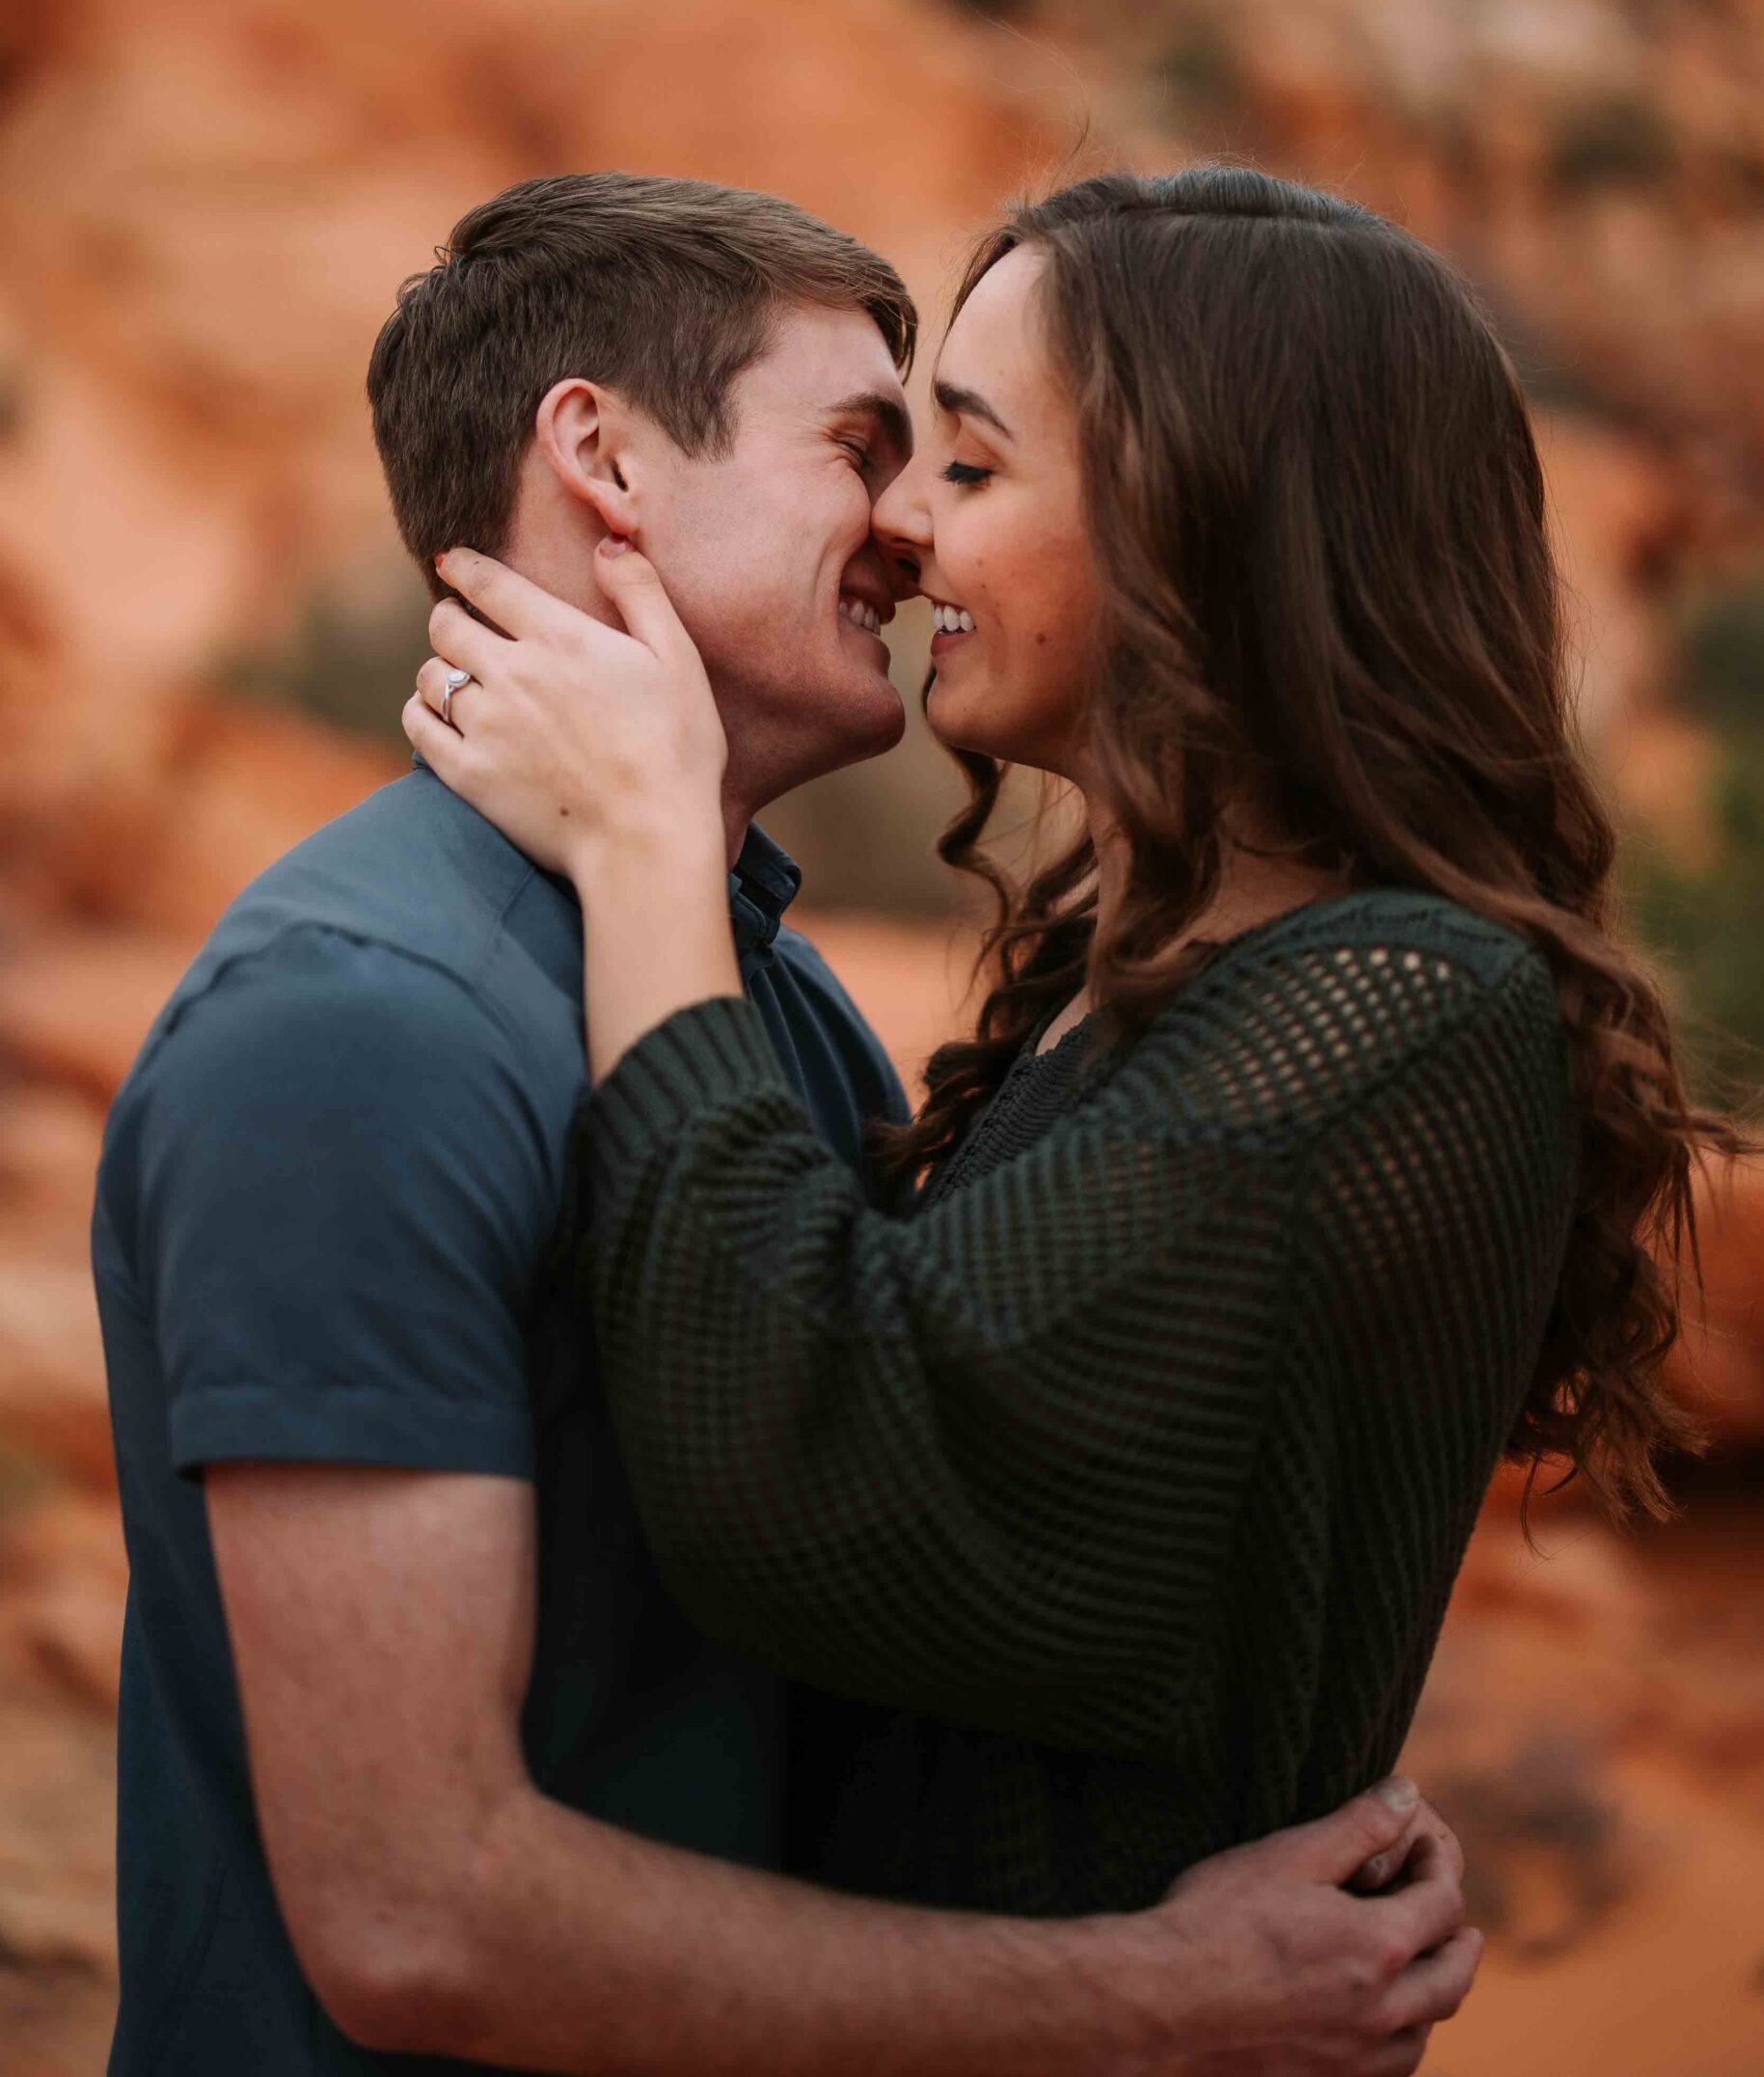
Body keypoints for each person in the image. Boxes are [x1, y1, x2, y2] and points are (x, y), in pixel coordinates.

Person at [93, 172, 1476, 2077]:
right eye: (862, 448)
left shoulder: (775, 1006)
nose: (911, 530)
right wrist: (1169, 1997)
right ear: (606, 459)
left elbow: (953, 1520)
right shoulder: (355, 1028)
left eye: (953, 468)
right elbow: (419, 1914)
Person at [413, 165, 1735, 1925]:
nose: (904, 530)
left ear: (1201, 518)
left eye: (966, 463)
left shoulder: (1401, 1004)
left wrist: (647, 843)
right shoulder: (1141, 981)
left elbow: (809, 1474)